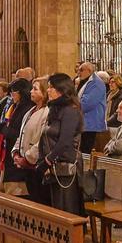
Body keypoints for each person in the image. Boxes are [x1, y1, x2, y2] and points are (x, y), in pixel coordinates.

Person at [41, 74, 84, 215]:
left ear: (62, 89)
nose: (48, 91)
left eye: (51, 87)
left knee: (66, 207)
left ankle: (73, 237)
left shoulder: (70, 110)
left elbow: (65, 141)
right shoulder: (55, 108)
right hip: (55, 163)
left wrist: (47, 160)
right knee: (56, 208)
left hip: (66, 165)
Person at [11, 78, 51, 205]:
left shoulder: (47, 112)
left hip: (36, 164)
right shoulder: (30, 111)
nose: (31, 92)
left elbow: (42, 140)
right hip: (25, 163)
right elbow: (21, 134)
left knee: (41, 200)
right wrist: (16, 152)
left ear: (44, 93)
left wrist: (27, 158)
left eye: (35, 89)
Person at [0, 78, 34, 197]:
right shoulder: (15, 106)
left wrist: (4, 129)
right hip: (9, 151)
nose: (11, 95)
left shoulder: (27, 108)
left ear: (22, 92)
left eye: (14, 92)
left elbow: (21, 131)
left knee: (16, 190)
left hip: (19, 153)